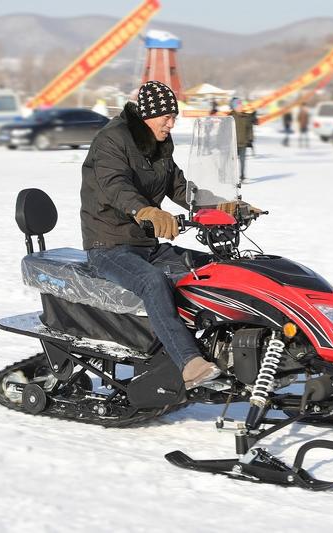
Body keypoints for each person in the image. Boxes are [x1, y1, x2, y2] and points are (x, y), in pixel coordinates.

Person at [80, 81, 251, 389]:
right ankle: (189, 362)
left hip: (147, 244)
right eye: (166, 117)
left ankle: (227, 348)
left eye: (174, 116)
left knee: (211, 270)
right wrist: (146, 211)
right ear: (147, 115)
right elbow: (115, 185)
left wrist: (222, 204)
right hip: (109, 245)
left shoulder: (158, 145)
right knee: (152, 282)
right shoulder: (111, 141)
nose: (171, 123)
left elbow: (179, 186)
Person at [229, 98, 252, 181]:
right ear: (234, 107)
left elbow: (249, 128)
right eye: (239, 105)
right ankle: (231, 177)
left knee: (243, 161)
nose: (241, 107)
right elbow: (225, 129)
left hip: (243, 143)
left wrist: (250, 139)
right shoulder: (230, 117)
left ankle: (242, 176)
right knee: (232, 162)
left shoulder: (245, 116)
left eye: (241, 105)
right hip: (233, 144)